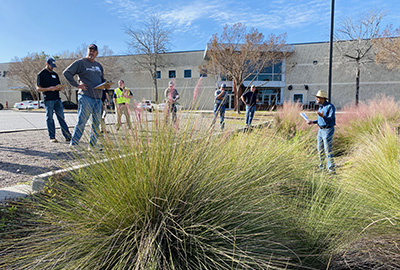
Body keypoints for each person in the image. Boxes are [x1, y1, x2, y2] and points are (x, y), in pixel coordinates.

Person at [63, 44, 110, 149]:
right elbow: (67, 73)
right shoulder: (81, 63)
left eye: (94, 51)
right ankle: (74, 143)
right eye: (90, 50)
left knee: (96, 123)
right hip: (86, 97)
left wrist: (106, 85)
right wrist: (77, 85)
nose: (91, 52)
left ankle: (92, 145)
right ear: (87, 51)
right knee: (82, 121)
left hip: (98, 98)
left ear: (97, 53)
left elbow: (101, 79)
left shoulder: (99, 66)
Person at [37, 57, 72, 143]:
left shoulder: (55, 75)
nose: (52, 68)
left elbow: (58, 85)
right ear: (47, 64)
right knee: (50, 118)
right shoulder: (41, 74)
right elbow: (38, 88)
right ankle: (52, 137)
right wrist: (49, 89)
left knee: (61, 117)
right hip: (48, 99)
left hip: (57, 99)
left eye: (53, 66)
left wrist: (60, 88)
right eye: (51, 66)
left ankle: (67, 136)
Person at [307, 90, 336, 173]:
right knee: (320, 150)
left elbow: (331, 119)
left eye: (318, 97)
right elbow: (320, 120)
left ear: (323, 98)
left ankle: (331, 170)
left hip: (328, 130)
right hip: (320, 130)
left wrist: (324, 116)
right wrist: (313, 122)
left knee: (327, 150)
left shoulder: (330, 107)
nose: (316, 98)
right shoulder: (320, 107)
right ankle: (322, 168)